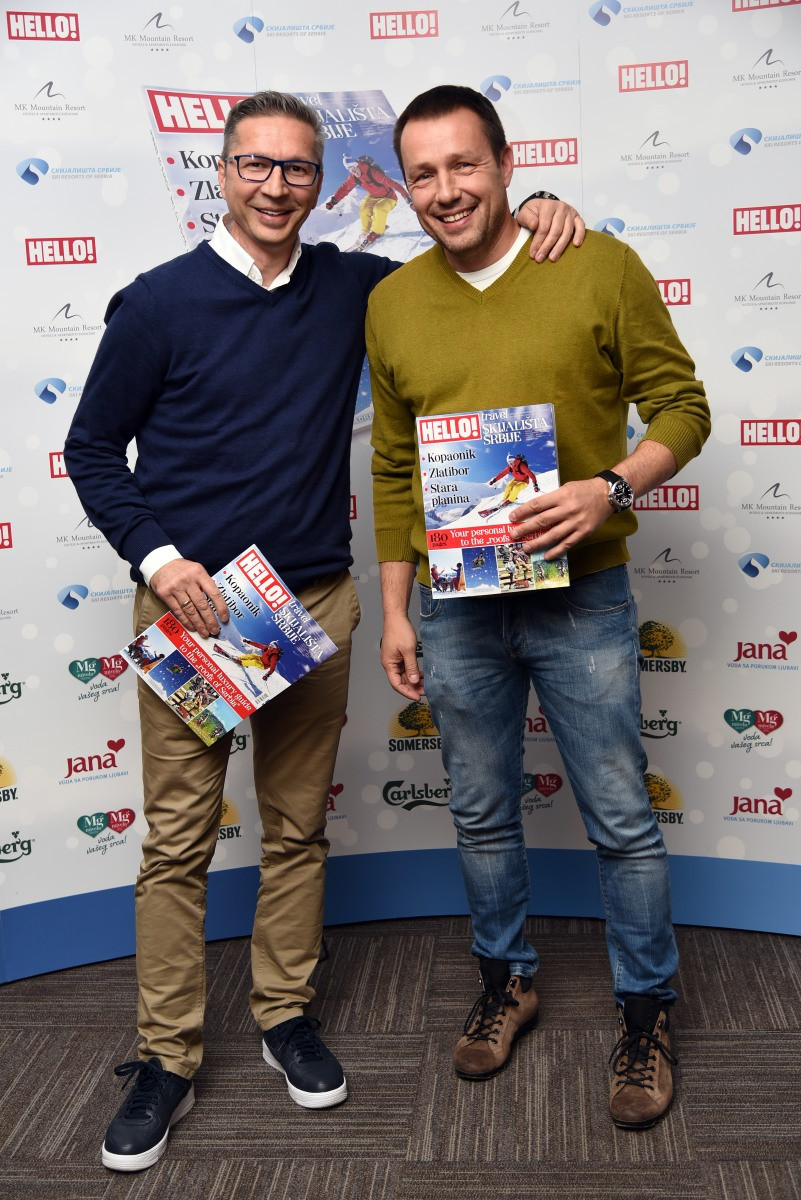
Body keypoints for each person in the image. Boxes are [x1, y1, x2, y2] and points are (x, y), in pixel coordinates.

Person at [63, 89, 584, 1172]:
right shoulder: (154, 305)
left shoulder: (354, 285)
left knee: (297, 832)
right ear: (222, 172)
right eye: (255, 165)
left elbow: (463, 260)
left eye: (298, 168)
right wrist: (160, 561)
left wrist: (534, 204)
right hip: (200, 610)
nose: (276, 185)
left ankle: (284, 1015)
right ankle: (165, 1055)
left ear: (319, 183)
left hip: (311, 604)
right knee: (177, 846)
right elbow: (96, 450)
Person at [368, 85, 711, 1131]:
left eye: (463, 165)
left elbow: (683, 406)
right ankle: (505, 979)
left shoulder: (597, 264)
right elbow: (393, 468)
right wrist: (396, 609)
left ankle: (645, 1012)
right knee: (480, 812)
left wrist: (610, 487)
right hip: (454, 607)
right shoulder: (391, 301)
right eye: (422, 173)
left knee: (620, 820)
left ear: (508, 164)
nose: (445, 190)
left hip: (582, 595)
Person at [325, 152, 412, 250]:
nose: (353, 172)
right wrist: (333, 200)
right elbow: (345, 188)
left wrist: (407, 198)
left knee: (379, 209)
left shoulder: (373, 173)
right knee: (364, 210)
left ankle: (377, 232)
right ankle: (366, 233)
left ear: (358, 165)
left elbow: (394, 184)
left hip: (389, 197)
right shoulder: (354, 177)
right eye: (350, 170)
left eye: (354, 168)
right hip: (373, 196)